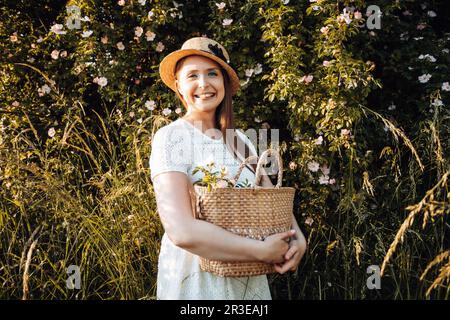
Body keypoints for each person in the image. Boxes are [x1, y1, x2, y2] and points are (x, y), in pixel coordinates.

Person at [149, 37, 307, 300]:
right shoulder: (172, 137)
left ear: (224, 82)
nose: (203, 84)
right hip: (197, 280)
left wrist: (297, 237)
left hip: (246, 280)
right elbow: (181, 231)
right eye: (192, 76)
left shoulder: (240, 140)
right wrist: (259, 251)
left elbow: (269, 199)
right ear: (178, 85)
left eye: (212, 73)